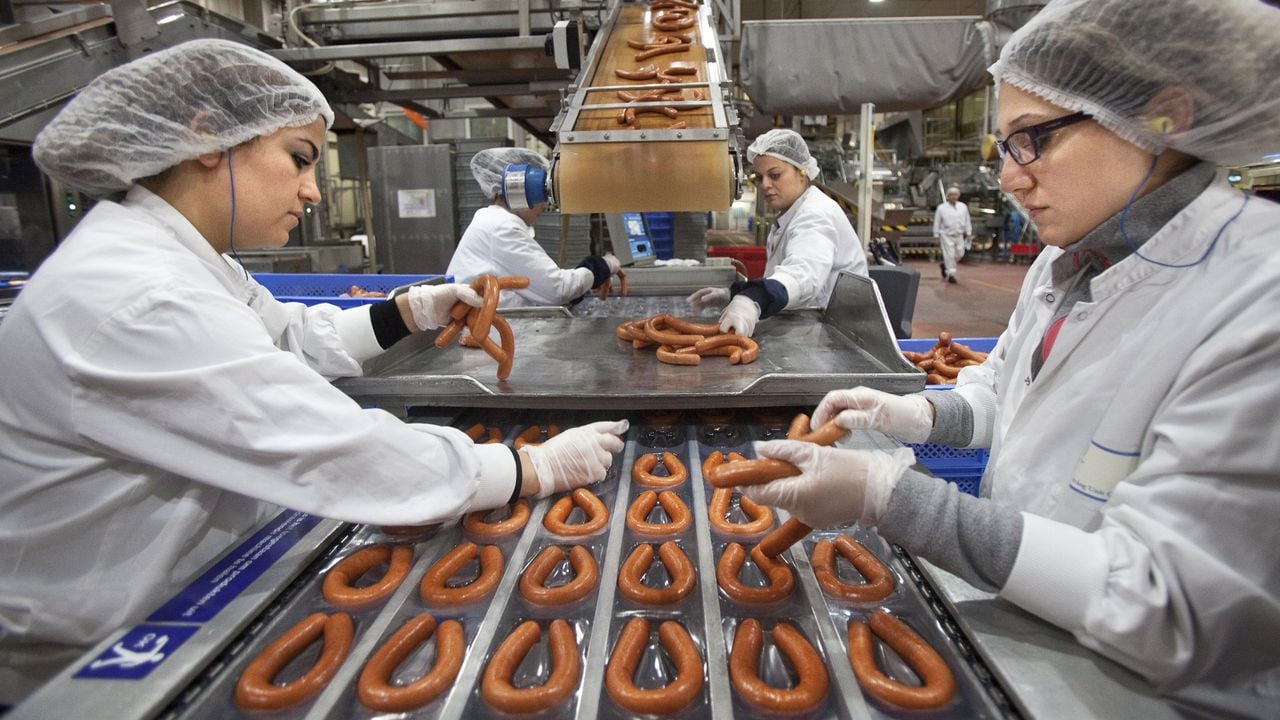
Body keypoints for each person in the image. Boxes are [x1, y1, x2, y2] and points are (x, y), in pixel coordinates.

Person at [0, 39, 628, 704]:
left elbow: (288, 338)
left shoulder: (180, 259)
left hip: (177, 602)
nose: (312, 189)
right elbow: (326, 444)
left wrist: (409, 312)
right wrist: (529, 468)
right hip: (90, 667)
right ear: (208, 135)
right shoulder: (137, 294)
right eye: (299, 158)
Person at [741, 0, 1280, 717]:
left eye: (1034, 140)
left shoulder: (1258, 295)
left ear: (1164, 116)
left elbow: (1166, 601)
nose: (1010, 178)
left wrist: (889, 496)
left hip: (1162, 694)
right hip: (1032, 639)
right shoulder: (1070, 261)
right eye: (1004, 148)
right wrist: (909, 412)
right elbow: (1009, 397)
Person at [687, 128, 868, 337]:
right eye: (759, 177)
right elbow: (778, 276)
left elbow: (802, 276)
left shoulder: (816, 215)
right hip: (811, 327)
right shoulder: (792, 213)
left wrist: (753, 299)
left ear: (802, 171)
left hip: (833, 336)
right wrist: (734, 294)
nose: (765, 185)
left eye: (775, 175)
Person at [447, 147, 620, 307]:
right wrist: (605, 264)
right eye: (544, 192)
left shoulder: (494, 221)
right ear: (523, 188)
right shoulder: (501, 227)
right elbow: (559, 290)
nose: (545, 205)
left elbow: (542, 287)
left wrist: (588, 277)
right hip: (481, 335)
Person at [932, 186, 972, 283]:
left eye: (955, 195)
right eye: (951, 195)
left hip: (959, 235)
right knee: (949, 255)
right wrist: (936, 235)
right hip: (946, 235)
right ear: (947, 196)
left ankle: (945, 265)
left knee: (960, 253)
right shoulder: (941, 208)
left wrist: (968, 232)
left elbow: (967, 220)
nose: (953, 197)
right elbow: (937, 222)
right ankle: (951, 274)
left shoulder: (963, 207)